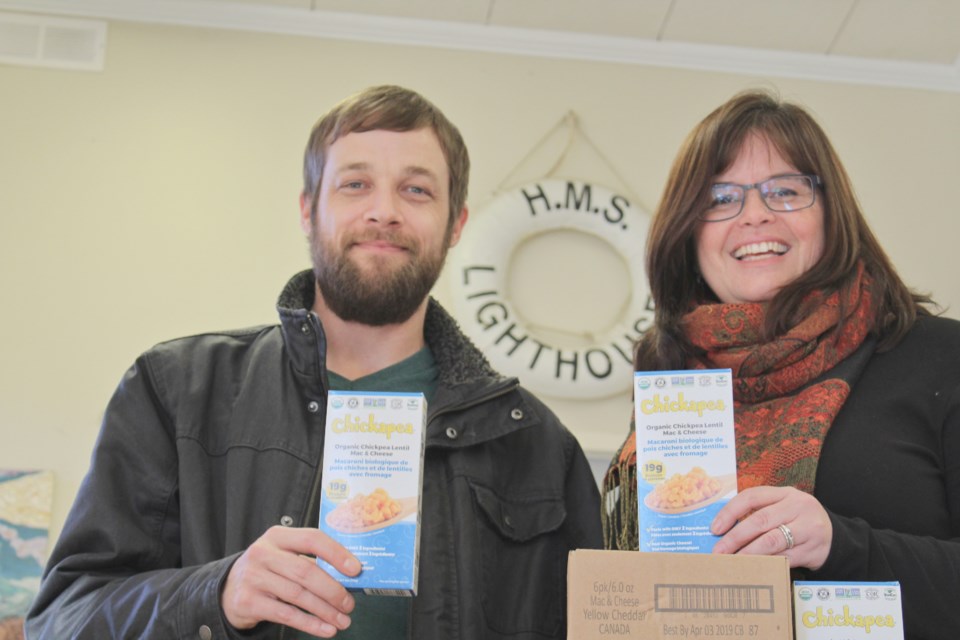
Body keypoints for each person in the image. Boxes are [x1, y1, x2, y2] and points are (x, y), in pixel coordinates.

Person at [26, 85, 602, 639]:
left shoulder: (537, 447)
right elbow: (61, 621)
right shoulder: (177, 390)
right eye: (355, 184)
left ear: (456, 225)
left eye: (417, 190)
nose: (384, 211)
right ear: (308, 210)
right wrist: (218, 595)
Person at [602, 89, 960, 640]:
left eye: (785, 191)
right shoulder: (671, 386)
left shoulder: (940, 358)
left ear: (831, 213)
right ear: (689, 233)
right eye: (720, 198)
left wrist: (841, 545)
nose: (755, 216)